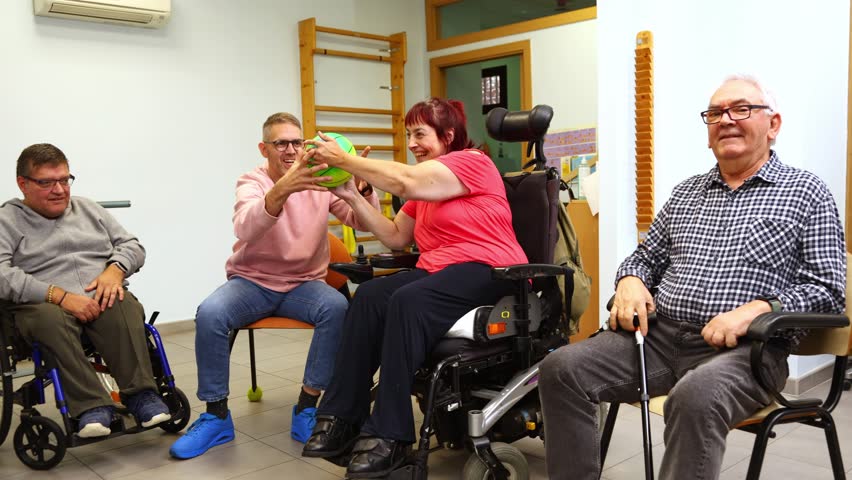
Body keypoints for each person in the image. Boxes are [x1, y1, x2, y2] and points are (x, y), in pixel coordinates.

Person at [538, 74, 847, 480]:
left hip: (748, 352)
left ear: (773, 125)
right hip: (660, 338)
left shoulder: (807, 192)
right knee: (561, 368)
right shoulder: (686, 192)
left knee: (695, 396)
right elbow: (646, 256)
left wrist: (756, 311)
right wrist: (630, 279)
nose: (727, 120)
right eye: (716, 113)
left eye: (742, 109)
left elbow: (827, 289)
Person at [300, 97, 529, 478]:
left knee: (409, 299)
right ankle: (340, 418)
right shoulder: (428, 187)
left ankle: (390, 436)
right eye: (409, 134)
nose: (412, 143)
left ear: (448, 136)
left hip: (491, 269)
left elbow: (403, 179)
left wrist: (343, 159)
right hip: (439, 273)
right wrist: (352, 195)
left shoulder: (472, 163)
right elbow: (394, 237)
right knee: (371, 296)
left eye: (420, 133)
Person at [168, 112, 380, 459]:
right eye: (281, 143)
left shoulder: (322, 180)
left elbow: (361, 221)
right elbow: (245, 228)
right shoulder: (251, 181)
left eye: (297, 142)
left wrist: (363, 189)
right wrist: (286, 186)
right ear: (264, 148)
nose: (291, 150)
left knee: (338, 307)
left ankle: (307, 407)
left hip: (304, 285)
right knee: (210, 313)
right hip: (252, 283)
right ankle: (216, 416)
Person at [0, 143, 171, 438]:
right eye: (46, 182)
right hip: (41, 305)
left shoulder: (89, 209)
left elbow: (132, 246)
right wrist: (60, 296)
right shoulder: (7, 220)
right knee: (50, 320)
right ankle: (91, 407)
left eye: (64, 180)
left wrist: (115, 270)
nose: (59, 189)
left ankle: (141, 396)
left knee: (123, 303)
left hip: (98, 296)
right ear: (23, 184)